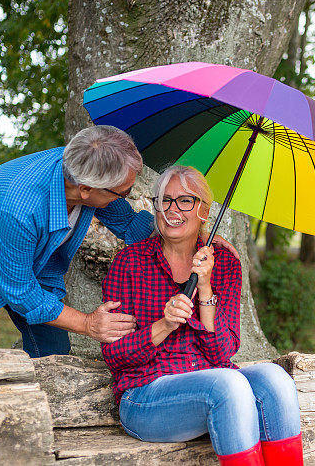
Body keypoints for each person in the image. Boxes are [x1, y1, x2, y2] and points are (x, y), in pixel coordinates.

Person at [0, 126, 237, 466]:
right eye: (122, 192)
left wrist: (199, 233)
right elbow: (22, 294)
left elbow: (131, 224)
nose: (127, 196)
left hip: (33, 260)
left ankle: (29, 443)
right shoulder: (17, 204)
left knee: (52, 354)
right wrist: (88, 323)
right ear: (87, 190)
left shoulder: (88, 170)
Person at [101, 165, 303, 466]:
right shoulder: (129, 263)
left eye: (185, 200)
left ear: (204, 211)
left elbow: (224, 351)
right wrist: (164, 325)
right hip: (146, 396)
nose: (172, 210)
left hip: (216, 385)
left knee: (276, 380)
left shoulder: (224, 264)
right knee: (227, 384)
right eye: (165, 200)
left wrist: (206, 287)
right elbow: (114, 356)